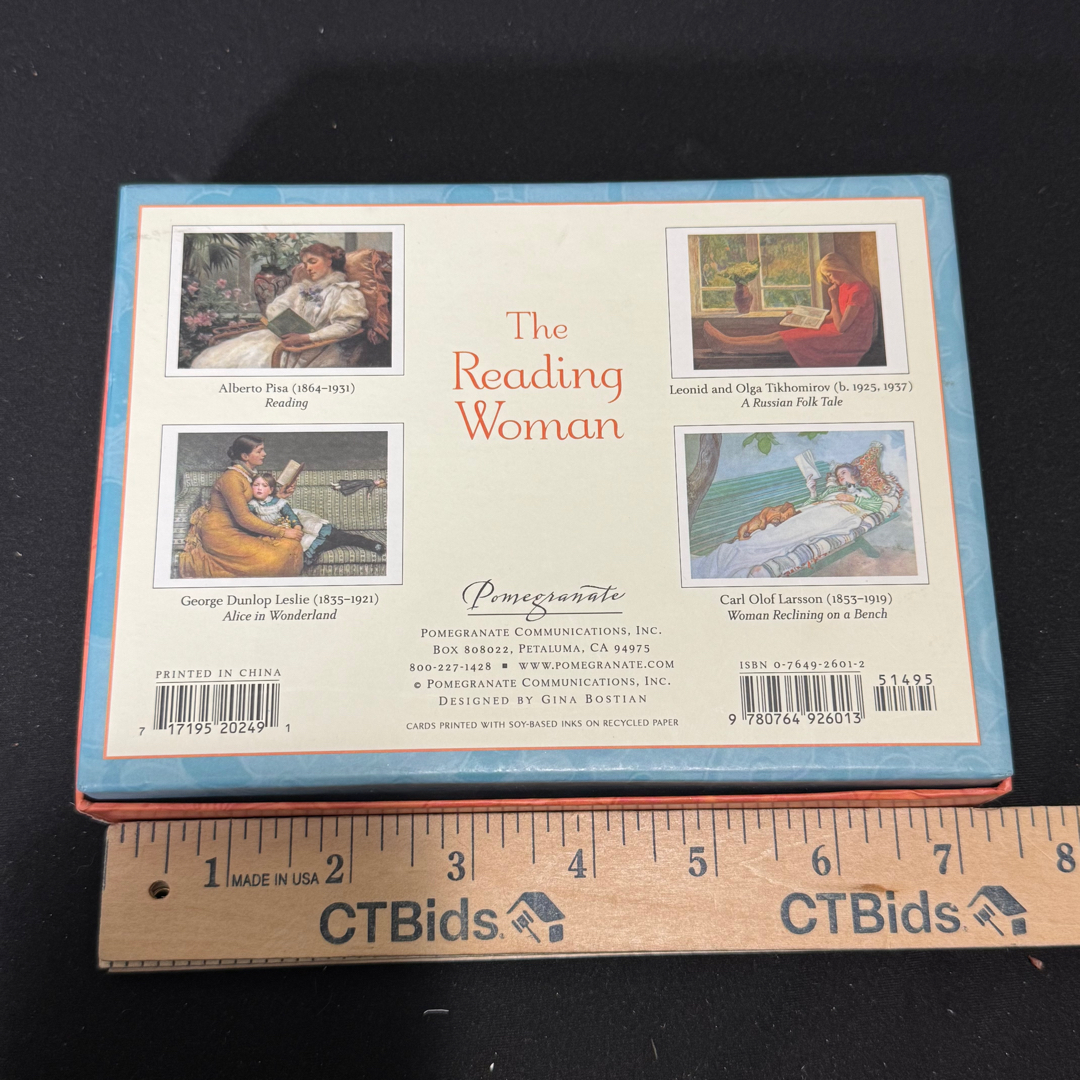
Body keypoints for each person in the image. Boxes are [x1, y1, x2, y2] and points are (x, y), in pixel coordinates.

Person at [190, 243, 368, 369]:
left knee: (250, 361)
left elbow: (347, 326)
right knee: (221, 358)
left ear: (329, 262)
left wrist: (306, 337)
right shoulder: (302, 289)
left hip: (316, 349)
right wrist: (284, 321)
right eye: (305, 263)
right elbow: (276, 306)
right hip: (286, 341)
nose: (308, 268)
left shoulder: (344, 292)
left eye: (313, 262)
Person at [701, 253, 876, 367]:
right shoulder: (846, 286)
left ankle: (726, 345)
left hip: (849, 340)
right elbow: (834, 317)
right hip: (839, 333)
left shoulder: (858, 290)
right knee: (778, 335)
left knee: (782, 341)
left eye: (829, 274)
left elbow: (842, 327)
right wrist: (804, 316)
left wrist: (833, 300)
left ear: (839, 269)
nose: (829, 279)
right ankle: (728, 340)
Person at [177, 436, 304, 579]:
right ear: (245, 456)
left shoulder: (246, 476)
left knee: (291, 547)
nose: (264, 454)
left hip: (240, 529)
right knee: (276, 559)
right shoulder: (231, 478)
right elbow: (243, 517)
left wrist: (278, 496)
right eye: (259, 451)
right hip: (220, 534)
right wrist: (282, 532)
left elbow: (252, 503)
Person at [248, 474, 385, 565]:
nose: (259, 488)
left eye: (264, 486)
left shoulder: (278, 502)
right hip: (278, 533)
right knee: (311, 543)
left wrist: (297, 527)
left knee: (325, 530)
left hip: (296, 523)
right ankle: (333, 543)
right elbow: (252, 523)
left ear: (270, 489)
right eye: (256, 485)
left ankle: (369, 544)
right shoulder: (251, 505)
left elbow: (291, 516)